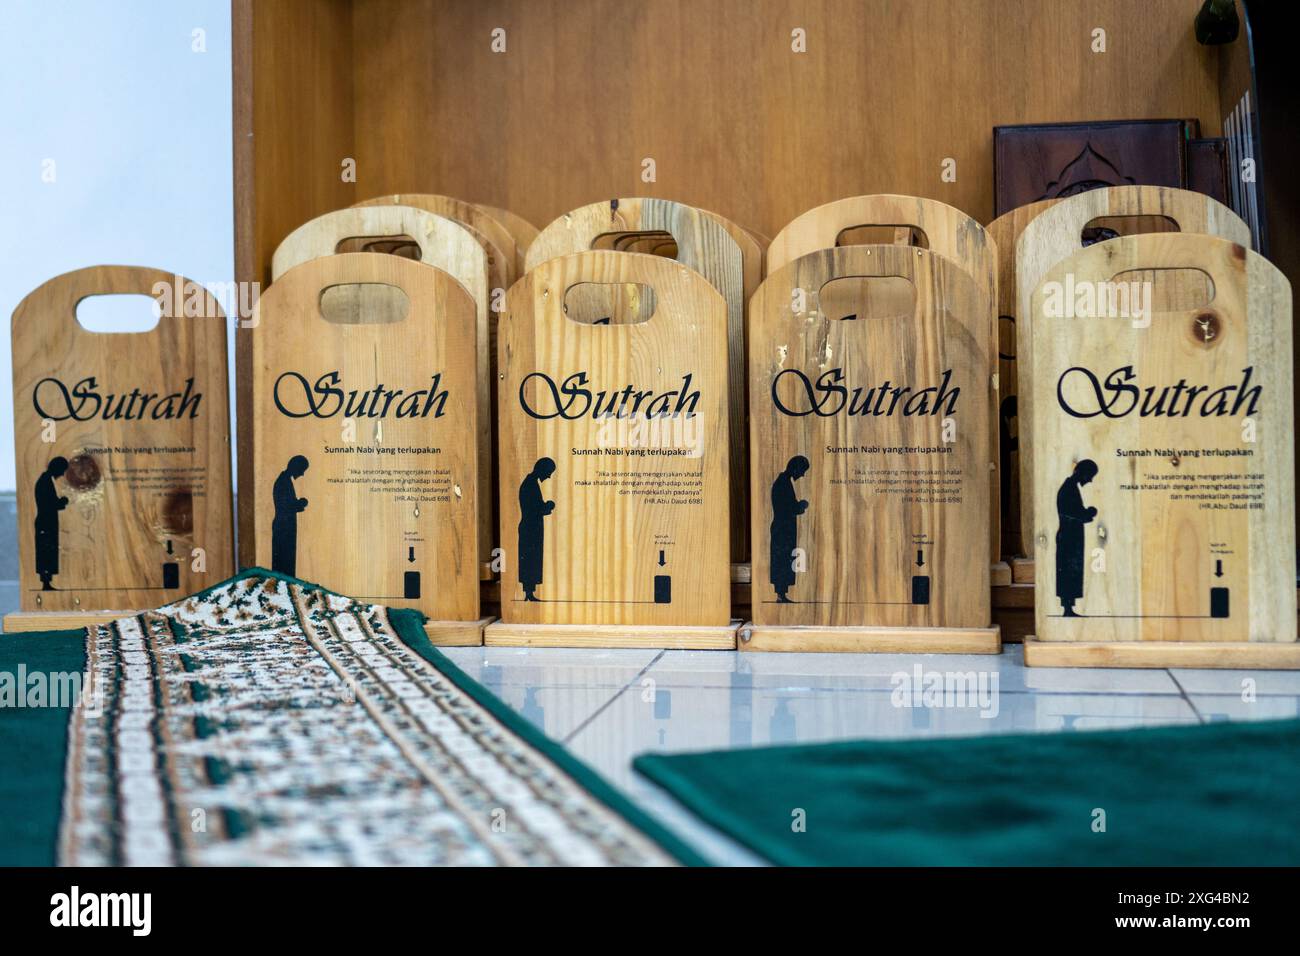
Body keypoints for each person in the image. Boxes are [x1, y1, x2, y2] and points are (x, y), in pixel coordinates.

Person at [1055, 458, 1098, 617]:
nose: (1090, 480)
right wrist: (1088, 513)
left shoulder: (1071, 488)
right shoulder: (1069, 489)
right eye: (1090, 476)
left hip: (1072, 536)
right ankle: (1067, 608)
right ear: (1082, 473)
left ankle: (1069, 608)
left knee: (1072, 571)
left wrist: (1085, 514)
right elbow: (1071, 514)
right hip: (1068, 536)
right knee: (1068, 570)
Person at [769, 455, 810, 603]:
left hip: (783, 527)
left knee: (784, 559)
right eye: (802, 470)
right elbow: (788, 507)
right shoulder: (783, 483)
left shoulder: (784, 482)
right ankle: (780, 595)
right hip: (782, 528)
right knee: (782, 560)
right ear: (795, 468)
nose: (802, 474)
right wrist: (801, 505)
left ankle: (782, 594)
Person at [518, 458, 556, 601]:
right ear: (542, 469)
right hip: (530, 528)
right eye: (548, 472)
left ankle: (529, 593)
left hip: (531, 527)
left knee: (532, 559)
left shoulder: (531, 483)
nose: (549, 476)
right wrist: (548, 506)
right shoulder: (530, 485)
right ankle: (528, 593)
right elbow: (533, 509)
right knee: (530, 559)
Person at [34, 457, 70, 590]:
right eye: (62, 470)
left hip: (46, 523)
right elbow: (49, 504)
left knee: (48, 552)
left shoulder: (46, 480)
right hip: (45, 523)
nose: (62, 474)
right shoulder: (45, 482)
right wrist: (62, 502)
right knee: (46, 553)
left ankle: (47, 582)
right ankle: (46, 583)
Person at [271, 456, 310, 576]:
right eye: (302, 470)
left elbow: (287, 504)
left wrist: (298, 503)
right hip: (283, 528)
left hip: (285, 528)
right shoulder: (283, 482)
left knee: (286, 565)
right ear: (295, 467)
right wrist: (300, 503)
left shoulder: (285, 480)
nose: (302, 474)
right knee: (284, 566)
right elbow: (285, 506)